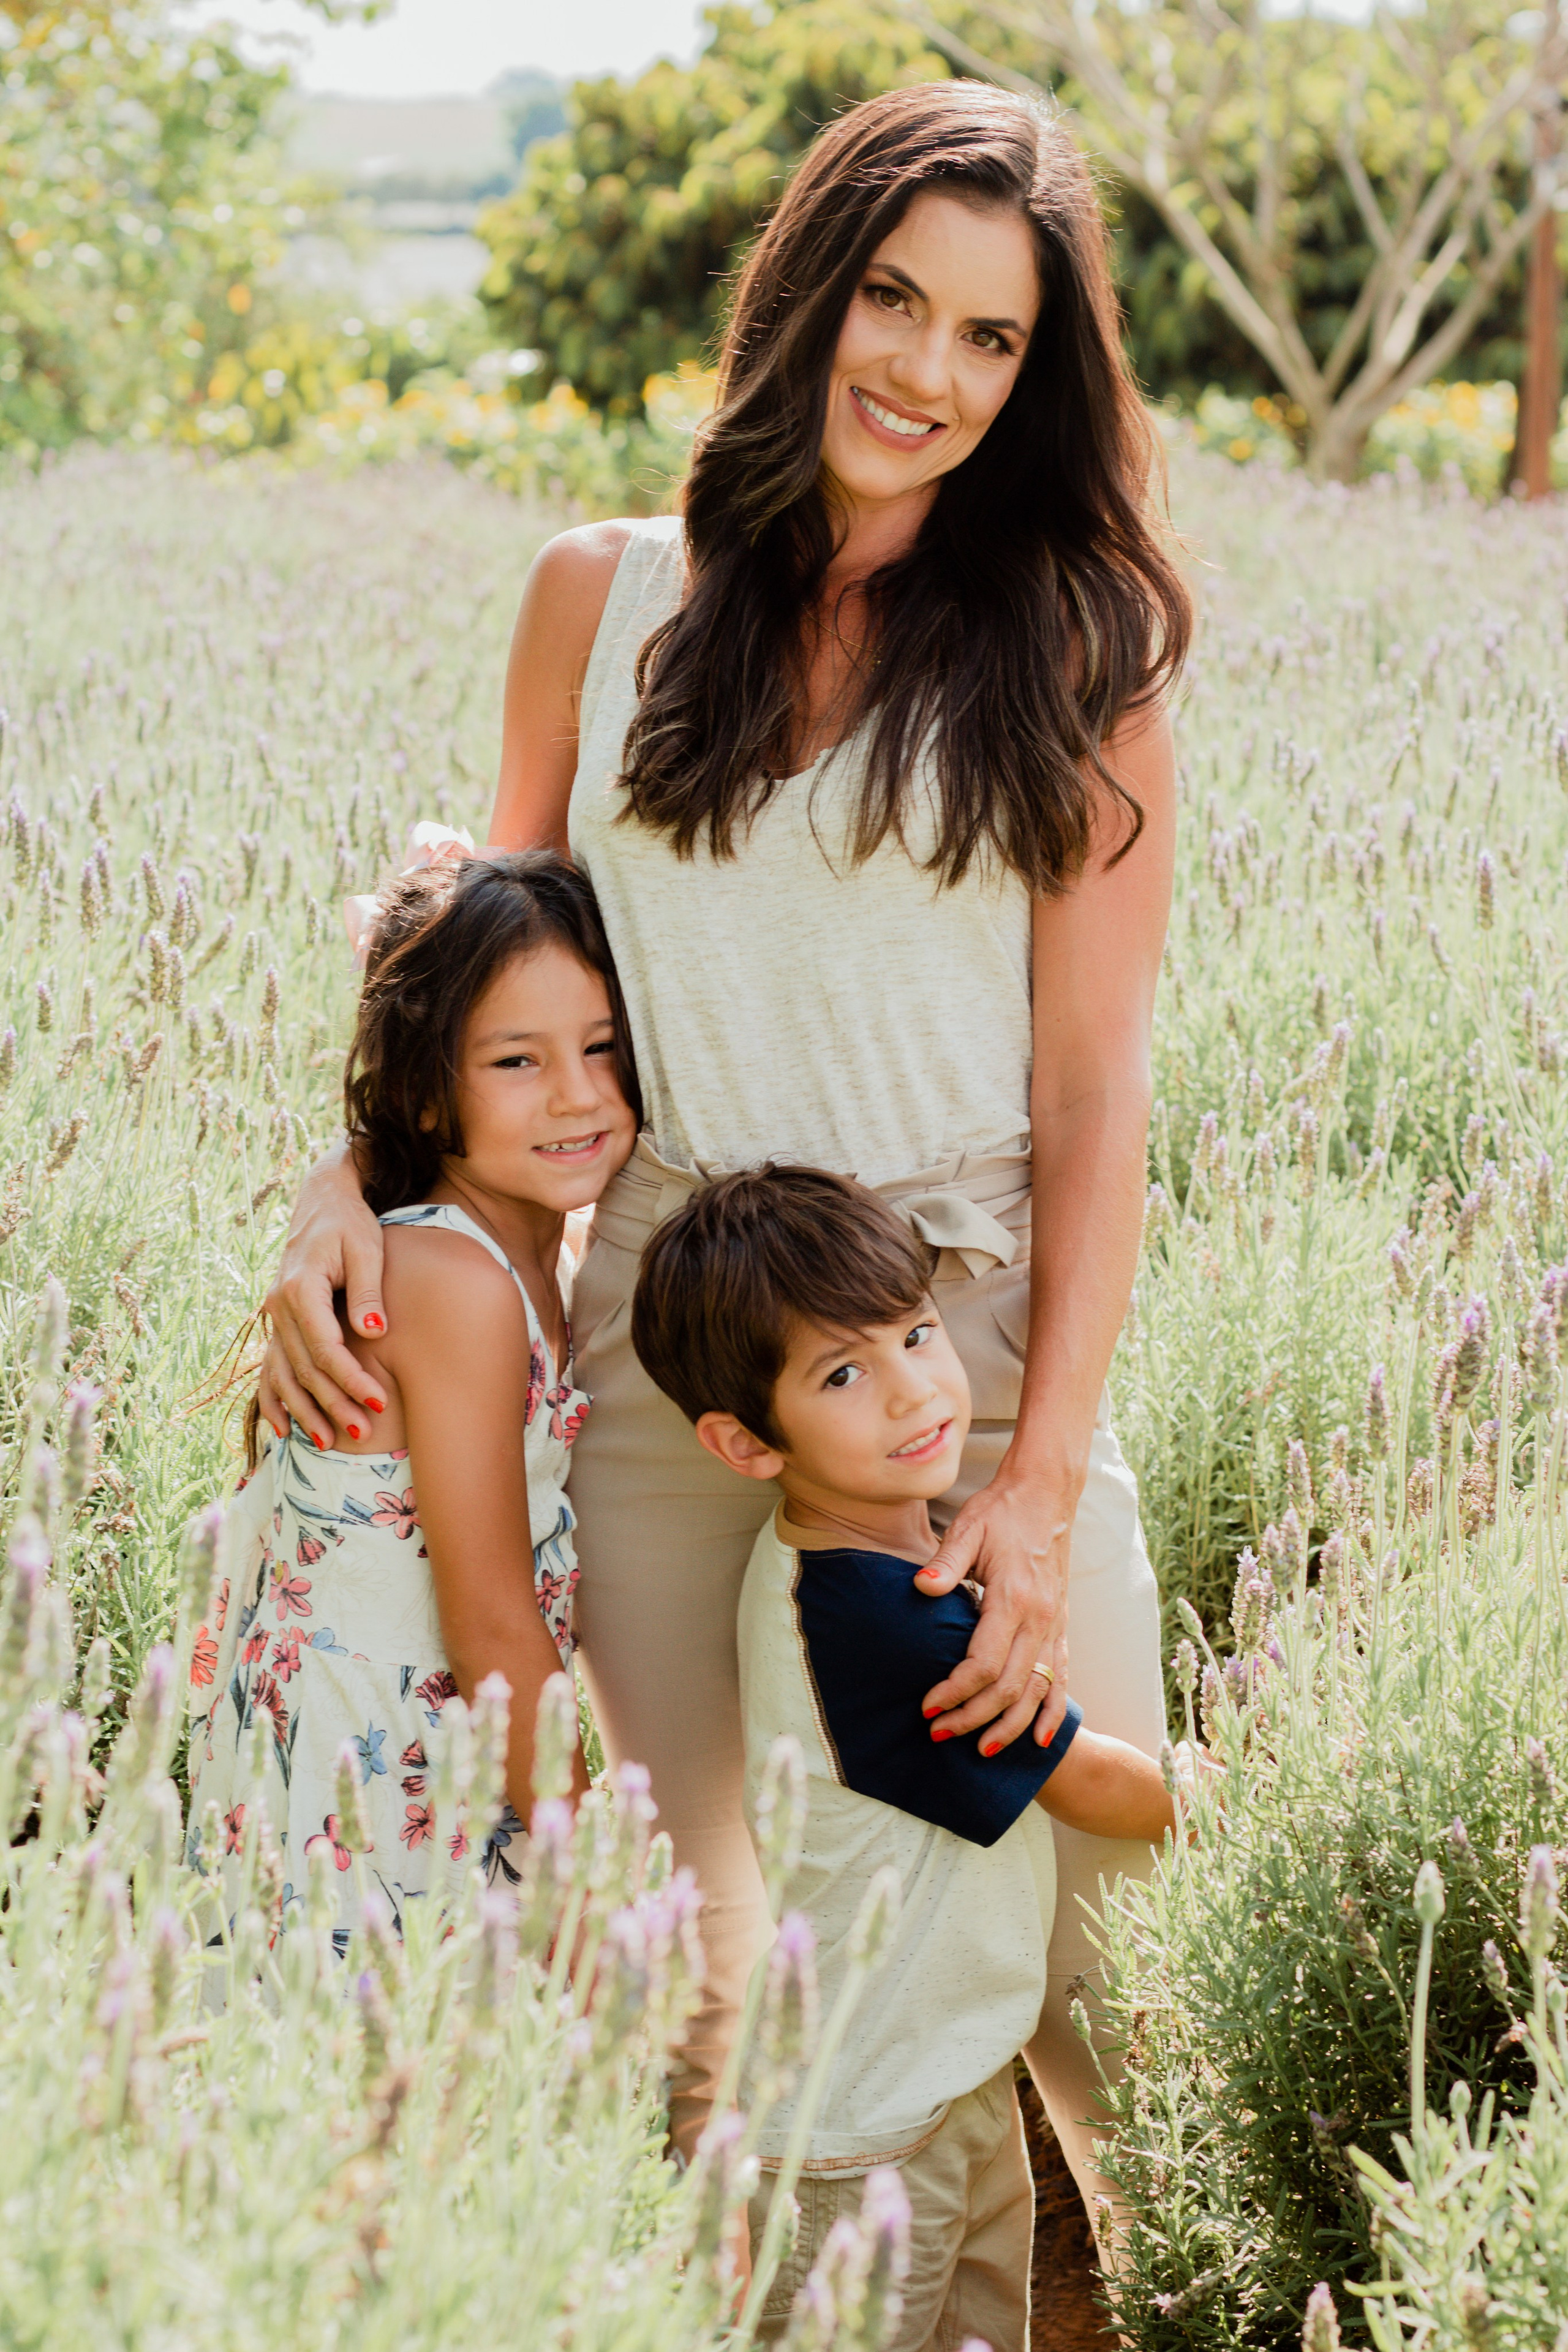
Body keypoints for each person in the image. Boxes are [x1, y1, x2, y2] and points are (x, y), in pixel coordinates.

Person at [253, 80, 1192, 2192]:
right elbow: (476, 979)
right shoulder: (598, 598)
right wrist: (346, 1173)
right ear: (807, 290)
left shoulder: (1078, 650)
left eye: (992, 338)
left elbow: (1092, 1092)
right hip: (674, 1366)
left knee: (1096, 1965)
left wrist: (1034, 1492)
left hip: (964, 1352)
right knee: (712, 1967)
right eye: (894, 299)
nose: (929, 372)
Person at [631, 1166, 1188, 2350]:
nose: (914, 1391)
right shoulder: (886, 1622)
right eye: (844, 1373)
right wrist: (1244, 1798)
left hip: (942, 2084)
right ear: (743, 1442)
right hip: (863, 2132)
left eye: (917, 1334)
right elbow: (1096, 1787)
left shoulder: (857, 1561)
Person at [189, 853, 639, 1936]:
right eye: (516, 1062)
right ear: (429, 1088)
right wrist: (586, 1882)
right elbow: (489, 1616)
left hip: (414, 1747)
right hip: (376, 1770)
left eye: (601, 1048)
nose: (577, 1093)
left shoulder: (538, 1256)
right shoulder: (454, 1282)